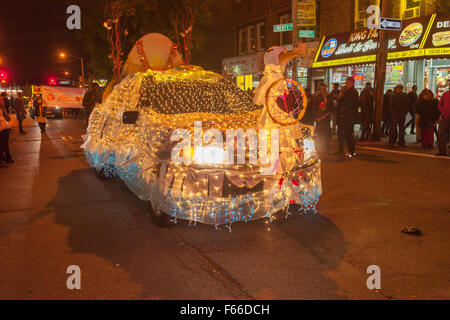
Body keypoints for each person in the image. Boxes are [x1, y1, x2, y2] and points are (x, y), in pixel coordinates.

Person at [337, 77, 359, 157]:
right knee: (348, 134)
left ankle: (351, 151)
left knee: (348, 134)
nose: (346, 84)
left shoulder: (352, 92)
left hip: (349, 117)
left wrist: (343, 113)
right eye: (346, 82)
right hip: (348, 116)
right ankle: (351, 150)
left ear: (352, 83)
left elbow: (348, 105)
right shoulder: (348, 92)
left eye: (348, 82)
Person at [437, 81, 450, 156]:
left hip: (445, 116)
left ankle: (442, 151)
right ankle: (442, 151)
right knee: (441, 134)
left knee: (441, 134)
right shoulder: (445, 94)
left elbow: (439, 104)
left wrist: (443, 112)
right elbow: (439, 104)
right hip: (445, 115)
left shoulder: (445, 94)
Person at [0, 97, 13, 166]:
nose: (2, 101)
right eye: (0, 100)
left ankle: (8, 158)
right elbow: (3, 118)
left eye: (2, 99)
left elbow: (7, 119)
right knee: (1, 146)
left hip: (5, 128)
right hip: (1, 129)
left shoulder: (3, 108)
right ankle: (1, 161)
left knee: (5, 144)